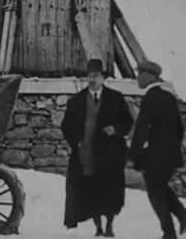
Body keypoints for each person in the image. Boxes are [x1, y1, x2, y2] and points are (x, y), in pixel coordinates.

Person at [61, 58, 133, 236]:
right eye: (89, 76)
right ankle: (98, 227)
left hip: (109, 156)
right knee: (90, 191)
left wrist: (115, 129)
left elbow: (127, 121)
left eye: (96, 76)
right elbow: (66, 126)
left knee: (108, 191)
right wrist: (75, 141)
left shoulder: (115, 98)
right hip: (86, 156)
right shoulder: (76, 101)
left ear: (103, 78)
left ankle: (109, 225)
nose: (92, 79)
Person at [129, 60, 186, 239]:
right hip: (170, 155)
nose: (137, 77)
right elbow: (179, 127)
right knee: (160, 188)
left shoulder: (151, 98)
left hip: (156, 155)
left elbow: (141, 130)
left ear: (149, 76)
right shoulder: (168, 97)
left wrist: (133, 155)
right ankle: (183, 218)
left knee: (155, 193)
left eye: (140, 74)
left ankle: (168, 233)